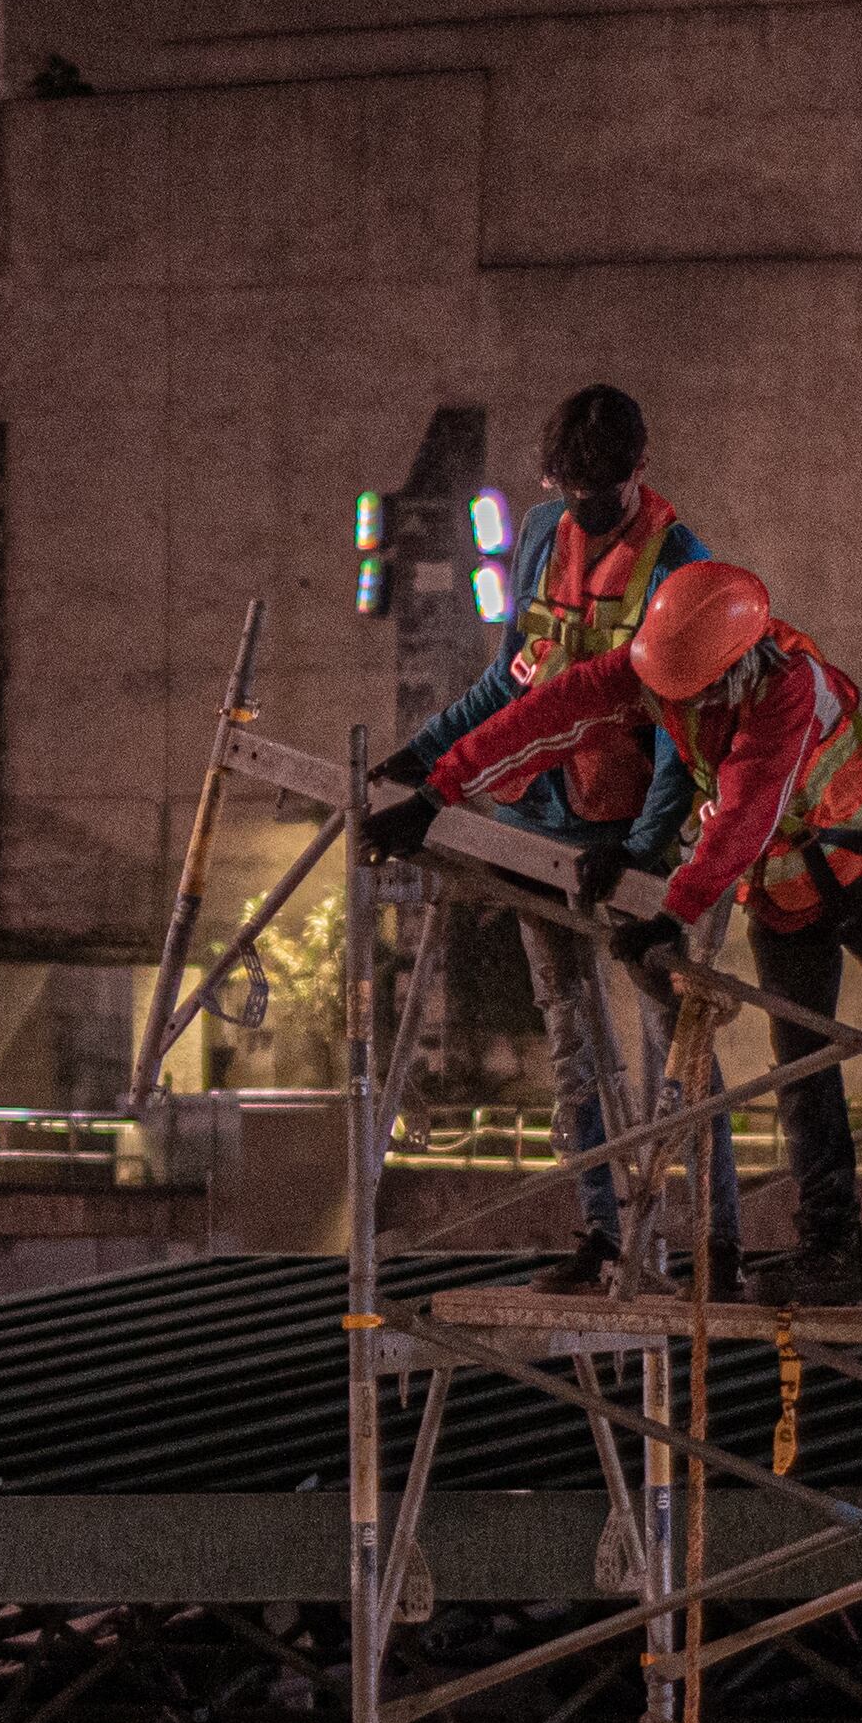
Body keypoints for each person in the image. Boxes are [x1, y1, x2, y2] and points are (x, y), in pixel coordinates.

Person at [427, 558, 862, 1309]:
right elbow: (555, 706)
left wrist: (673, 909)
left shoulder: (792, 691)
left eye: (682, 691)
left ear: (730, 671)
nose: (666, 703)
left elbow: (745, 815)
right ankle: (832, 1251)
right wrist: (440, 783)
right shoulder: (672, 670)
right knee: (802, 1073)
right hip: (784, 898)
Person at [365, 384, 739, 1286]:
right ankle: (601, 1233)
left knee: (672, 1040)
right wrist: (418, 765)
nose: (588, 512)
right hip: (538, 816)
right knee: (570, 1032)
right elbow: (512, 682)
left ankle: (714, 1245)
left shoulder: (678, 564)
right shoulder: (540, 536)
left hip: (625, 829)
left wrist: (645, 851)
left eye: (603, 496)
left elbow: (682, 738)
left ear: (639, 472)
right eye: (572, 493)